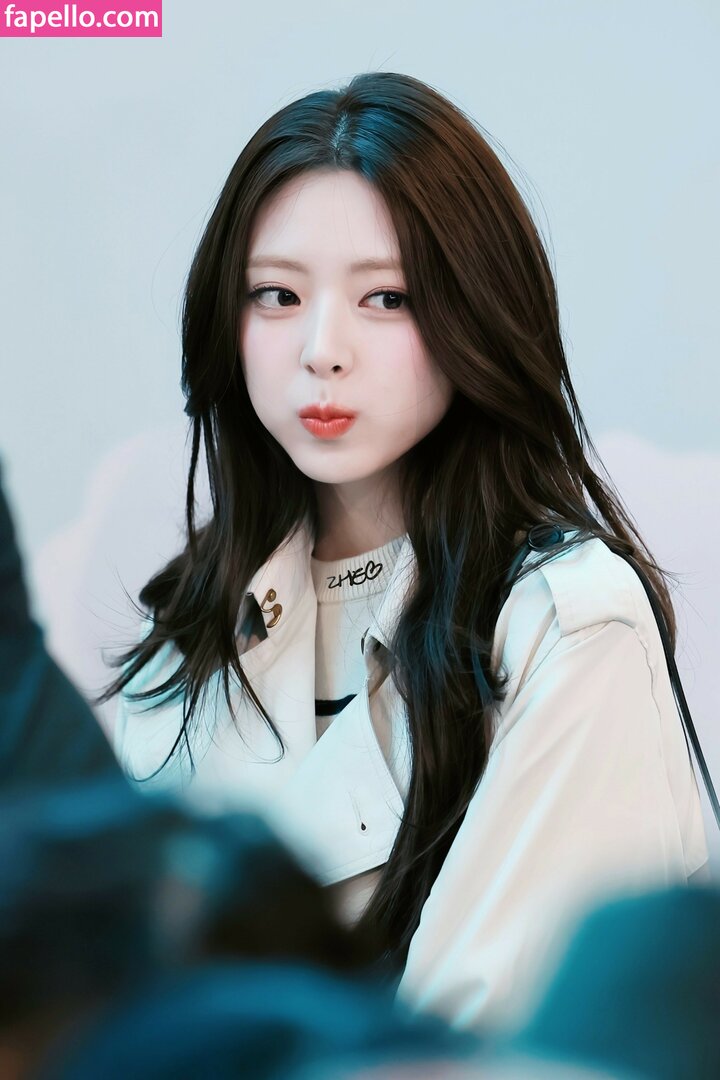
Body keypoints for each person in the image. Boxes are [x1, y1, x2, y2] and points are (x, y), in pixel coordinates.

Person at [97, 70, 710, 1031]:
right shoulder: (198, 625)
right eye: (276, 295)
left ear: (477, 310)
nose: (323, 350)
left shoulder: (568, 623)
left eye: (386, 298)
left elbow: (487, 1042)